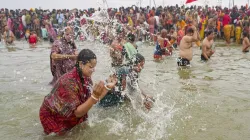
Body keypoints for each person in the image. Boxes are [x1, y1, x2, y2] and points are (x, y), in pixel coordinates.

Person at [40, 49, 118, 135]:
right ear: (81, 64)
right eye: (90, 67)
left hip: (70, 113)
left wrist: (107, 87)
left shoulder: (86, 78)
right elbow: (77, 113)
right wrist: (94, 96)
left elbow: (91, 101)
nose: (93, 70)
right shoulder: (68, 82)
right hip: (52, 116)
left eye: (94, 67)